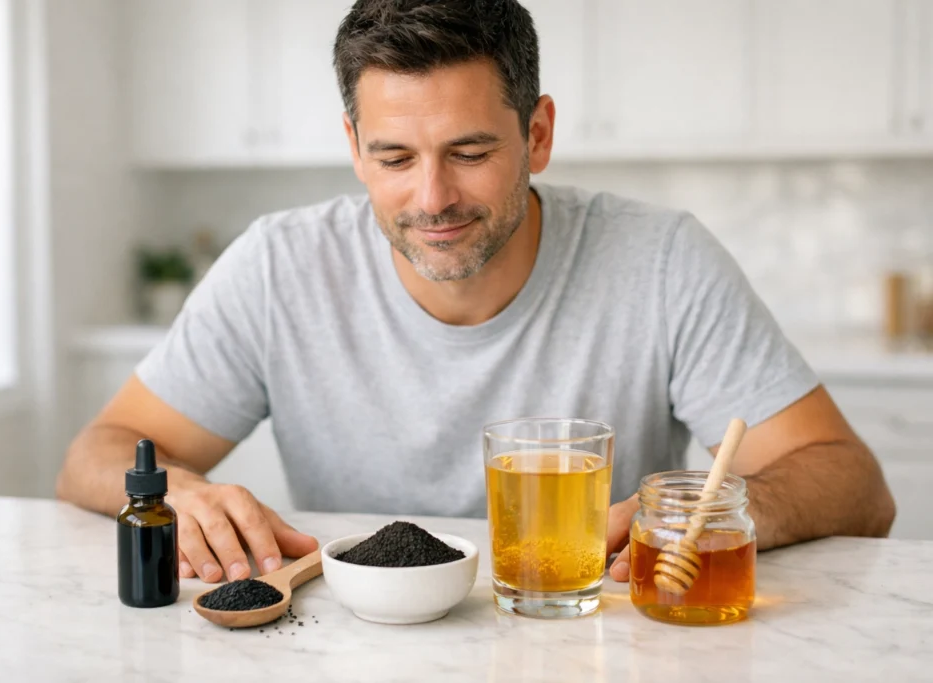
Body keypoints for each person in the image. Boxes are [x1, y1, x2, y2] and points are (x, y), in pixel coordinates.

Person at [57, 0, 895, 586]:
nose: (431, 198)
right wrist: (184, 492)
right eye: (393, 158)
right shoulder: (279, 266)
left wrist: (698, 512)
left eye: (468, 150)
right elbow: (100, 452)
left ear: (538, 132)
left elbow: (852, 483)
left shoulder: (661, 259)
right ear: (353, 146)